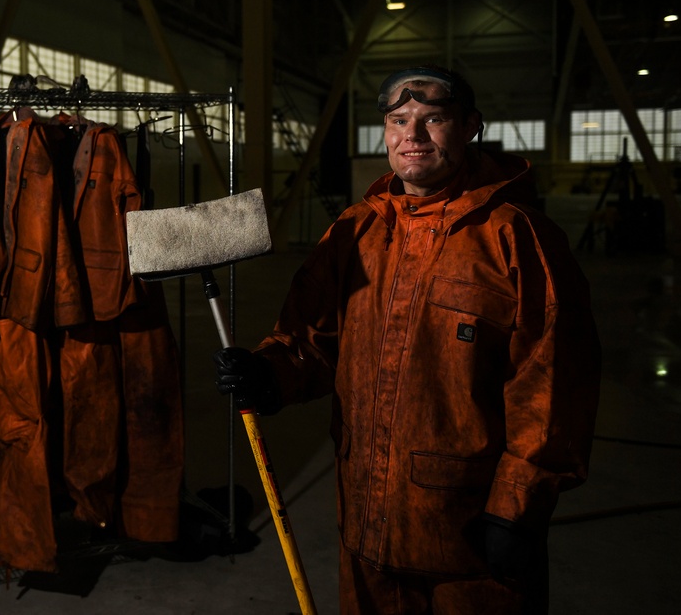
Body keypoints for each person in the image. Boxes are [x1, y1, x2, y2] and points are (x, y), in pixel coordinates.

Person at [214, 65, 602, 614]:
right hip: (366, 521)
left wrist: (516, 506)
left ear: (470, 127)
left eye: (433, 119)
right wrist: (269, 372)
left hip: (470, 538)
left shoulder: (517, 237)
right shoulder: (355, 231)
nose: (412, 136)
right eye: (398, 121)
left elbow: (553, 385)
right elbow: (311, 341)